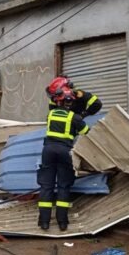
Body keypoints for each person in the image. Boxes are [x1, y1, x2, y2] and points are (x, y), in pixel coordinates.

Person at [37, 83, 89, 232]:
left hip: (48, 151)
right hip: (65, 151)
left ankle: (44, 222)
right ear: (71, 102)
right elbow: (86, 132)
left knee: (46, 186)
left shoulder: (50, 115)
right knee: (63, 186)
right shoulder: (75, 117)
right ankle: (62, 223)